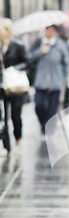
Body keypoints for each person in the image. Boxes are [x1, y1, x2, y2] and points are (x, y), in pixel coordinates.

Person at [30, 24, 69, 134]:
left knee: (53, 107)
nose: (49, 32)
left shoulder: (61, 45)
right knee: (38, 105)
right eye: (47, 30)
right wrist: (40, 51)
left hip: (56, 82)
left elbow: (67, 64)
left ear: (56, 32)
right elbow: (29, 59)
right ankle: (43, 123)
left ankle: (46, 126)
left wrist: (65, 80)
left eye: (52, 30)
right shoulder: (38, 43)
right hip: (40, 81)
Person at [0, 17, 30, 155]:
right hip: (2, 86)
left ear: (7, 30)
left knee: (15, 115)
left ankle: (18, 138)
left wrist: (13, 68)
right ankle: (6, 146)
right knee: (2, 116)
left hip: (16, 86)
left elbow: (27, 62)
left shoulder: (18, 45)